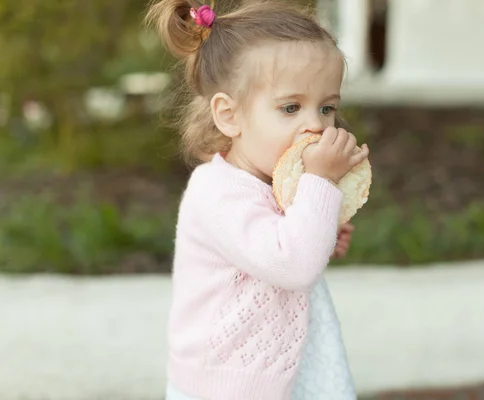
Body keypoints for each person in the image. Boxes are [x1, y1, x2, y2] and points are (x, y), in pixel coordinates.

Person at [145, 1, 369, 399]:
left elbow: (276, 250)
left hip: (282, 369)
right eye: (290, 107)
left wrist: (322, 234)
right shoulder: (216, 192)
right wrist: (319, 182)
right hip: (230, 385)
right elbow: (292, 265)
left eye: (327, 107)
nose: (316, 125)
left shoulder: (277, 184)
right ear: (229, 116)